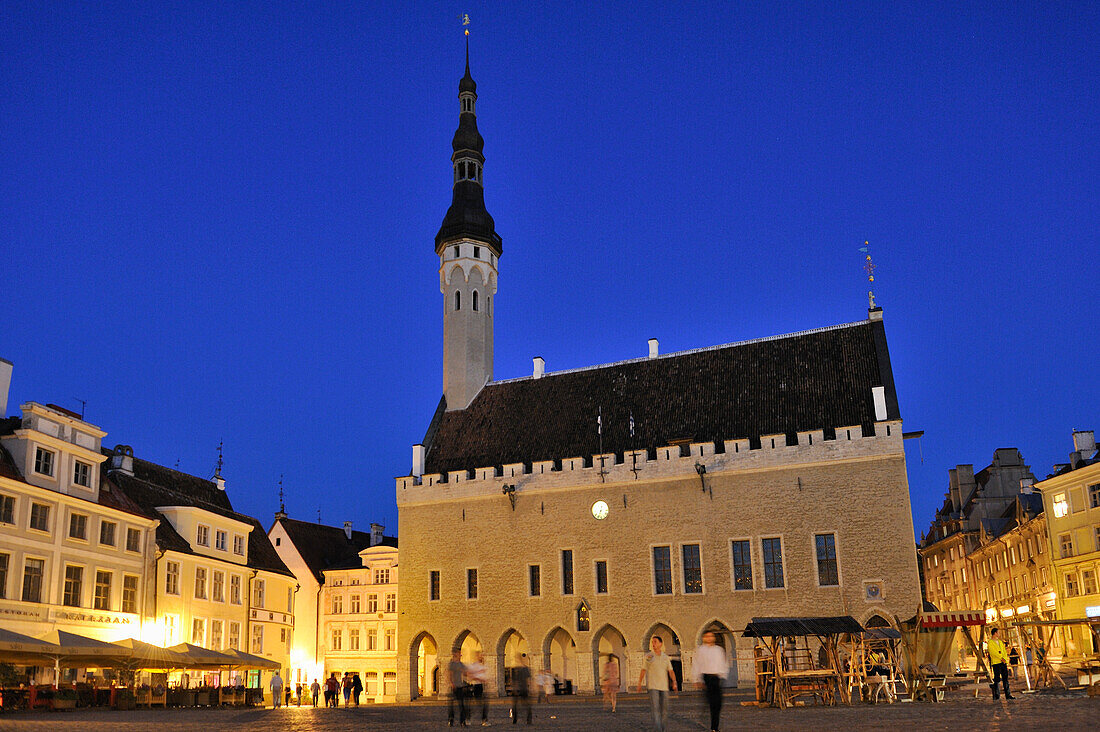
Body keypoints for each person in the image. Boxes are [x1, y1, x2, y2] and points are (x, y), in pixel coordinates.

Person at [638, 635, 678, 732]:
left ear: (660, 644)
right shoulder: (649, 656)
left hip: (664, 687)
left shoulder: (665, 657)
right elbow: (643, 669)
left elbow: (670, 671)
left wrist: (674, 682)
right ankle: (658, 729)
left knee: (664, 710)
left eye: (655, 642)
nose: (653, 644)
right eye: (652, 642)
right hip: (653, 687)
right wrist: (639, 683)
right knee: (655, 709)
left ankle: (662, 729)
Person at [692, 631, 727, 732]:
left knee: (718, 703)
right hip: (706, 678)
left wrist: (723, 676)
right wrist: (696, 679)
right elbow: (696, 664)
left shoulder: (719, 650)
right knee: (712, 702)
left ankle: (713, 723)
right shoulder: (700, 650)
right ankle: (714, 727)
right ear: (704, 638)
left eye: (711, 636)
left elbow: (723, 663)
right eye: (707, 636)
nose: (709, 638)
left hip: (717, 678)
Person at [987, 628, 1014, 700]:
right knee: (997, 679)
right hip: (996, 663)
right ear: (995, 633)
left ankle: (1008, 695)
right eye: (998, 632)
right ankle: (996, 695)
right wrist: (1000, 657)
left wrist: (1005, 658)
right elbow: (993, 652)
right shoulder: (990, 642)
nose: (999, 634)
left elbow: (1004, 651)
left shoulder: (1000, 642)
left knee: (1005, 679)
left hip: (1003, 662)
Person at [465, 651, 491, 726]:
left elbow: (484, 676)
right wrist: (478, 678)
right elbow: (469, 675)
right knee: (471, 705)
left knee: (484, 704)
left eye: (482, 656)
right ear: (476, 656)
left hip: (480, 686)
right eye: (480, 656)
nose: (481, 657)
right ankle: (468, 719)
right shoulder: (473, 666)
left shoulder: (483, 666)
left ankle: (484, 720)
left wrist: (485, 680)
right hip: (474, 686)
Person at [510, 653, 532, 725]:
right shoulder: (521, 668)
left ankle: (519, 719)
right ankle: (518, 719)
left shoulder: (522, 668)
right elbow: (528, 679)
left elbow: (528, 679)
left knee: (522, 704)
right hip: (520, 688)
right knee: (519, 705)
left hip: (522, 688)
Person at [448, 649, 468, 727]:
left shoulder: (461, 664)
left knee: (461, 705)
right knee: (451, 705)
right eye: (459, 654)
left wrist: (465, 672)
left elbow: (465, 674)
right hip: (454, 686)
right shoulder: (452, 664)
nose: (460, 656)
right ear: (455, 655)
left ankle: (462, 721)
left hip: (460, 686)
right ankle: (451, 719)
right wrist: (451, 683)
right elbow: (449, 674)